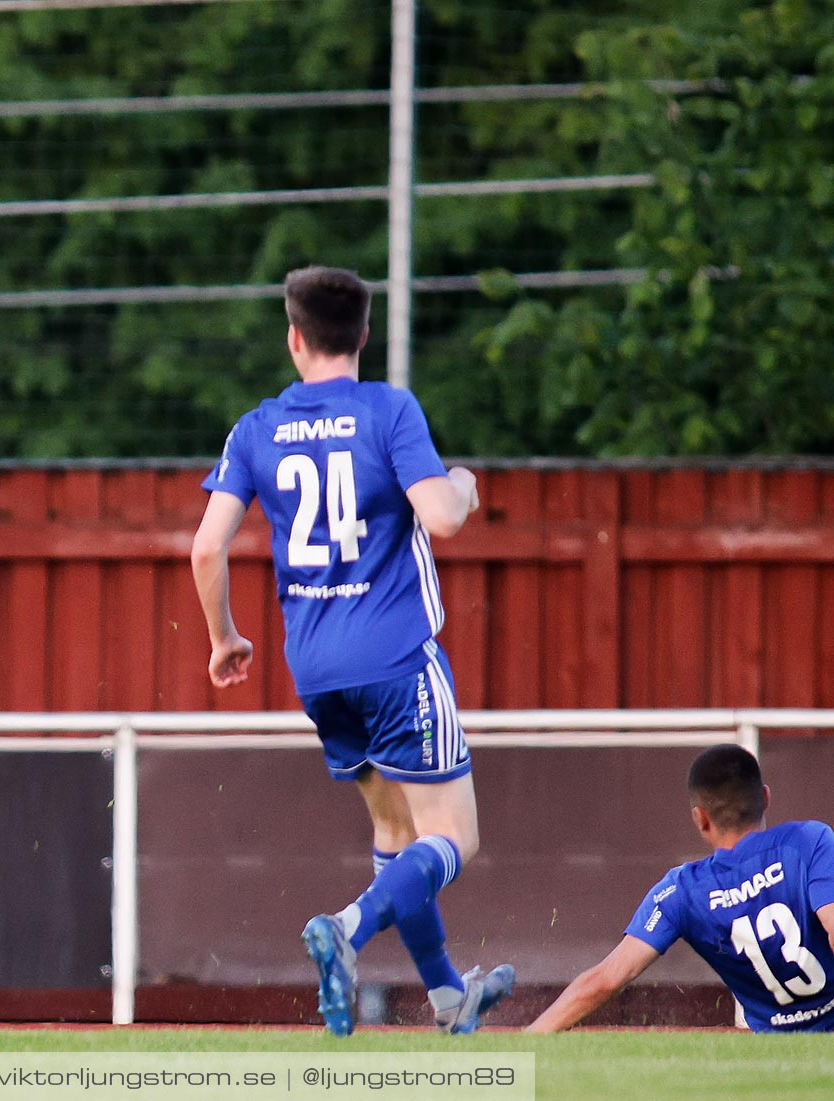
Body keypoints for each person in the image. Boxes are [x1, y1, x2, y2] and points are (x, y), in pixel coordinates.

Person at [191, 265, 512, 1036]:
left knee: (396, 833)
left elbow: (207, 549)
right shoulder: (387, 409)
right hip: (397, 658)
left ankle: (444, 996)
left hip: (317, 669)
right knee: (453, 836)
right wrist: (464, 482)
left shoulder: (256, 427)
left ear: (294, 337)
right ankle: (346, 925)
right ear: (364, 335)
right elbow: (440, 518)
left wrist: (225, 637)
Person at [527, 743, 834, 1033]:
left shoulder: (681, 891)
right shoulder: (812, 841)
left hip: (776, 1052)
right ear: (766, 798)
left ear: (700, 818)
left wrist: (528, 1038)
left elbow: (606, 980)